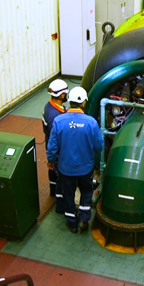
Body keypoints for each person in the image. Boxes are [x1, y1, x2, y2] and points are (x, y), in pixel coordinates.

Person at [46, 87, 103, 233]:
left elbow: (52, 146)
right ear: (84, 103)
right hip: (85, 168)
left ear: (70, 101)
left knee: (69, 193)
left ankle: (71, 222)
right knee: (86, 191)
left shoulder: (59, 121)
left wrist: (51, 160)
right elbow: (99, 146)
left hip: (66, 168)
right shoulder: (91, 123)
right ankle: (84, 219)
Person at [42, 79, 68, 214]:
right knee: (58, 173)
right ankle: (59, 200)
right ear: (62, 95)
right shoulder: (54, 115)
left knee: (52, 170)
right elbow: (55, 138)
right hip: (57, 150)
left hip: (50, 145)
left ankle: (52, 190)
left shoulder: (50, 106)